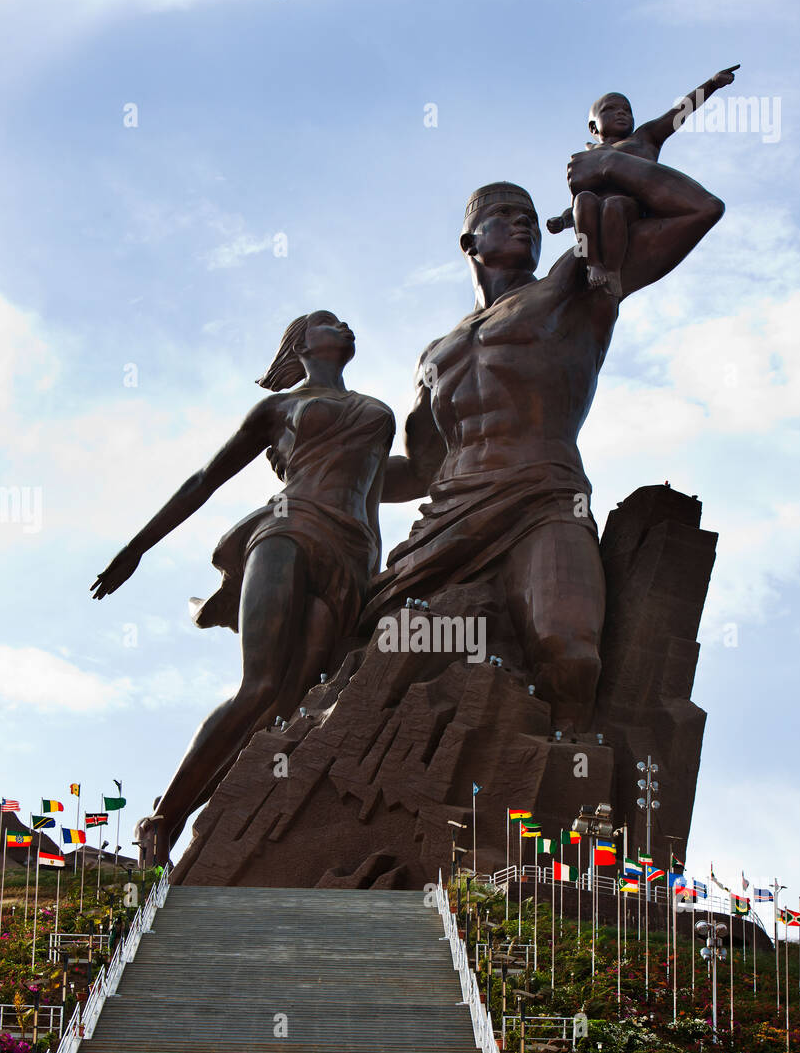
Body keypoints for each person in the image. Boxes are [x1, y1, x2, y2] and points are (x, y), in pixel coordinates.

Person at [361, 161, 724, 733]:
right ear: (470, 241)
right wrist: (325, 481)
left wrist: (612, 164)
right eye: (503, 216)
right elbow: (418, 471)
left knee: (571, 656)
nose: (523, 224)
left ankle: (578, 813)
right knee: (374, 659)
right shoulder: (435, 354)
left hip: (544, 498)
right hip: (446, 520)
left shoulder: (575, 287)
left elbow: (698, 209)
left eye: (530, 216)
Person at [92, 312, 397, 866]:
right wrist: (136, 547)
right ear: (302, 344)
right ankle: (162, 820)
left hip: (351, 555)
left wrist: (372, 579)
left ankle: (204, 824)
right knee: (259, 686)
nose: (347, 325)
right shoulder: (277, 409)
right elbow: (204, 480)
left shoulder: (379, 414)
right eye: (330, 322)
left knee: (292, 703)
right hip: (289, 528)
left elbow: (373, 497)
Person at [545, 65, 739, 294]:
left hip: (629, 209)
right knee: (585, 199)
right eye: (611, 109)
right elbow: (576, 205)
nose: (622, 113)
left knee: (614, 205)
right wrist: (563, 220)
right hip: (594, 219)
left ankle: (613, 271)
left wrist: (712, 85)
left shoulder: (645, 137)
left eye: (627, 110)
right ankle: (593, 264)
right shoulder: (585, 159)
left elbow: (679, 113)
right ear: (593, 126)